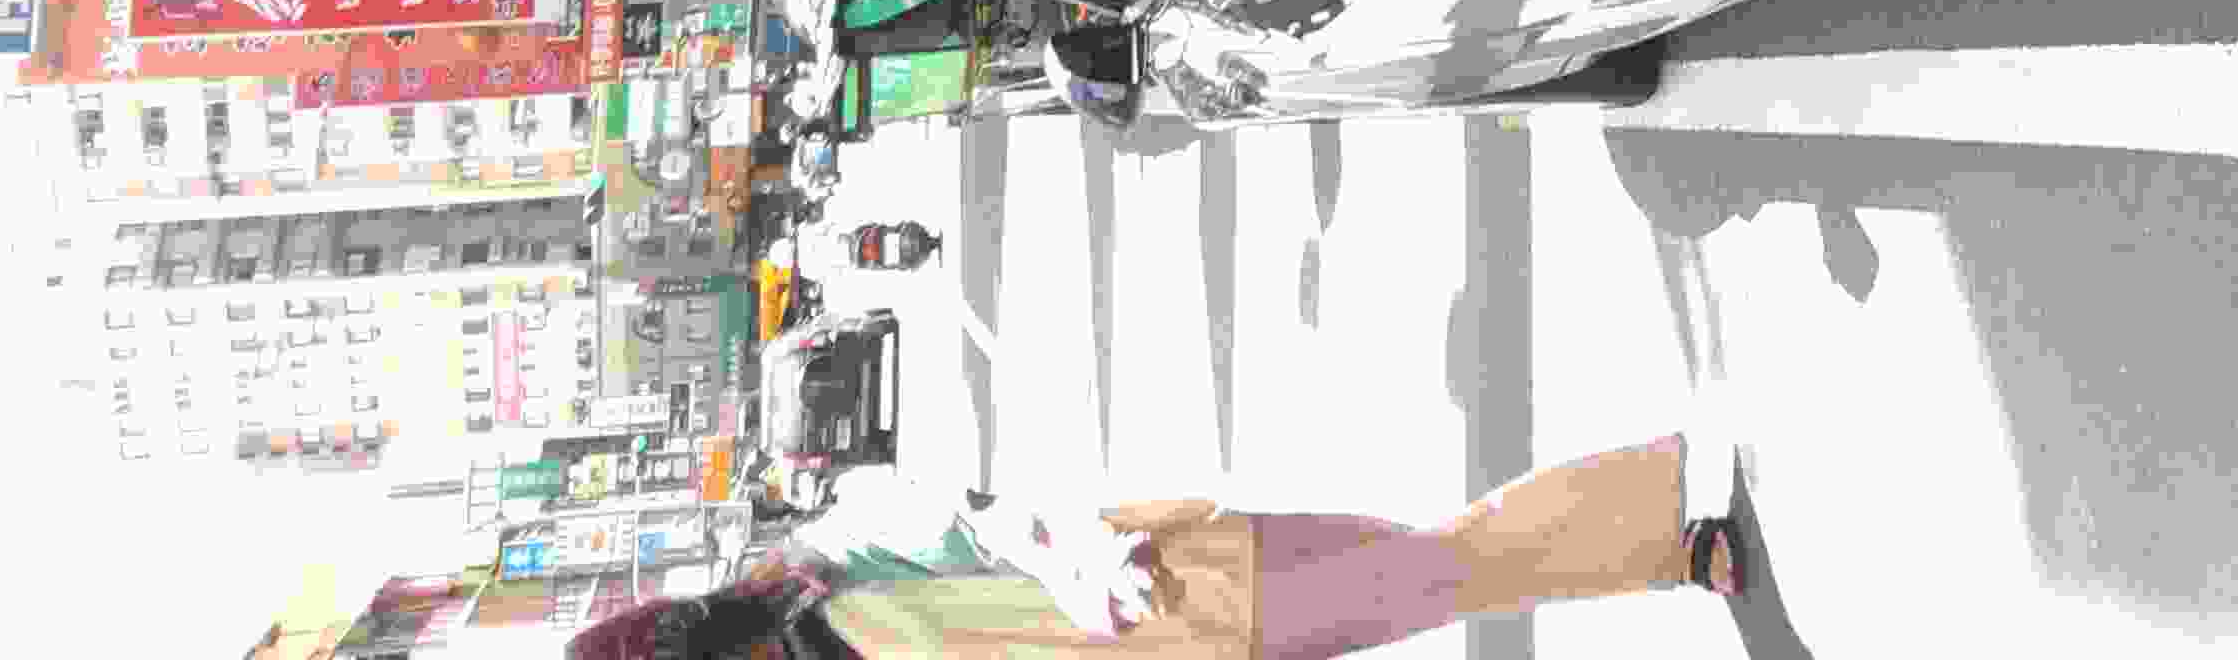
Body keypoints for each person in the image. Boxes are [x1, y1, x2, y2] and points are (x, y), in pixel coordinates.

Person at [565, 440, 1754, 660]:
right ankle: (1658, 538)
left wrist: (1071, 557)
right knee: (1433, 572)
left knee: (1432, 574)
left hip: (1166, 597)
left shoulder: (823, 578)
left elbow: (975, 517)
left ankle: (1665, 539)